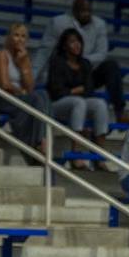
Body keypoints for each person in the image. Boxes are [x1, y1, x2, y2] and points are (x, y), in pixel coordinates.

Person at [36, 0, 129, 123]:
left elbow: (101, 54)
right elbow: (44, 51)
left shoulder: (99, 24)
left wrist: (79, 60)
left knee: (111, 66)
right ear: (74, 11)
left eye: (88, 11)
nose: (86, 14)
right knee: (59, 68)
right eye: (82, 11)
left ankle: (120, 111)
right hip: (65, 70)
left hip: (86, 71)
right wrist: (32, 76)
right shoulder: (58, 22)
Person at [46, 28, 111, 171]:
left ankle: (99, 155)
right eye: (72, 42)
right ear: (64, 45)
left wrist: (74, 91)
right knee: (79, 102)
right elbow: (56, 91)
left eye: (79, 42)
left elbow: (89, 89)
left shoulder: (85, 64)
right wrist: (75, 90)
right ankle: (76, 154)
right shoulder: (57, 62)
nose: (77, 45)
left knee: (100, 104)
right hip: (57, 104)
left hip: (78, 104)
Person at [0, 23, 50, 156]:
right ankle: (40, 140)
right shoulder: (1, 55)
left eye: (23, 36)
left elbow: (30, 87)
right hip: (1, 99)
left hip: (18, 99)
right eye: (16, 35)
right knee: (36, 98)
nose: (20, 39)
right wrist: (21, 91)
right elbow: (4, 85)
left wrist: (23, 65)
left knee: (42, 94)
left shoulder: (24, 57)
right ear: (8, 37)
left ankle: (42, 140)